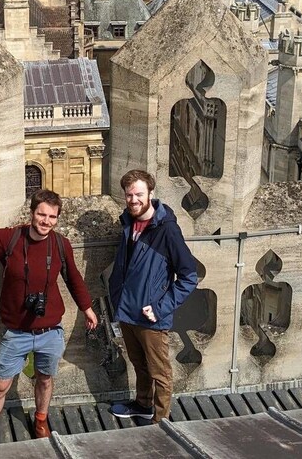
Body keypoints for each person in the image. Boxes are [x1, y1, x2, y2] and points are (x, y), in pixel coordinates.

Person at [0, 189, 98, 447]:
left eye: (52, 217)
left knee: (45, 378)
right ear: (32, 213)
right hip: (17, 332)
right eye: (42, 214)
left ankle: (41, 420)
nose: (46, 221)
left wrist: (87, 308)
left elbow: (74, 278)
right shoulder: (9, 239)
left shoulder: (60, 244)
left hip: (50, 331)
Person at [109, 169, 197, 424]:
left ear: (150, 193)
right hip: (127, 310)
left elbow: (189, 276)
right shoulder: (128, 222)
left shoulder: (166, 230)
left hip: (151, 317)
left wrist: (160, 308)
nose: (133, 200)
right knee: (139, 365)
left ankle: (161, 422)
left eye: (138, 194)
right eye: (129, 195)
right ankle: (142, 404)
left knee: (160, 373)